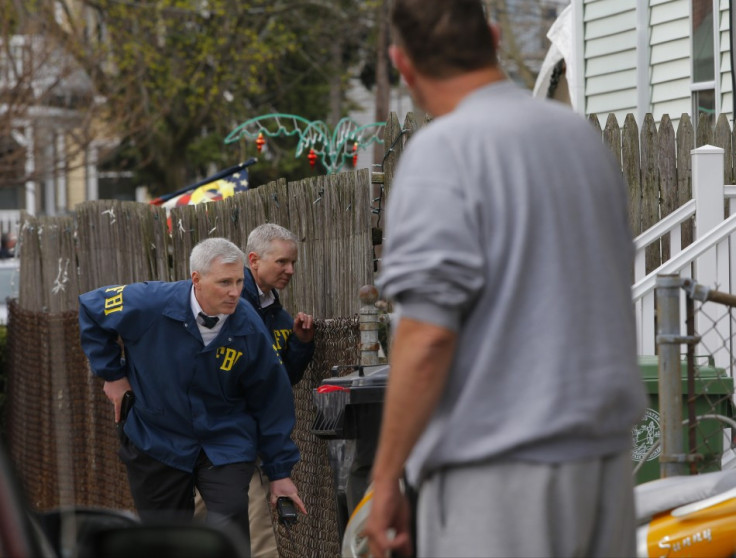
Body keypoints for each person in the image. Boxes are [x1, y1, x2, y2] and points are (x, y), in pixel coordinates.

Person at [363, 2, 648, 557]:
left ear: (403, 63)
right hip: (605, 465)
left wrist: (386, 479)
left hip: (498, 473)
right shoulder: (580, 140)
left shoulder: (443, 153)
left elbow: (428, 336)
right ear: (493, 37)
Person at [78, 237, 307, 553]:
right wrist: (112, 375)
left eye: (240, 281)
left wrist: (280, 472)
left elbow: (272, 397)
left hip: (224, 439)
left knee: (229, 527)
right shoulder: (149, 302)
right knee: (164, 540)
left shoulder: (248, 325)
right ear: (196, 280)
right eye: (224, 282)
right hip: (157, 436)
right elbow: (91, 307)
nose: (235, 292)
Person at [242, 223, 315, 557]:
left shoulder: (280, 316)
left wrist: (299, 343)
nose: (290, 270)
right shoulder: (230, 306)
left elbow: (285, 378)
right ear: (254, 260)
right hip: (225, 439)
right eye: (282, 262)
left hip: (259, 440)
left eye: (293, 263)